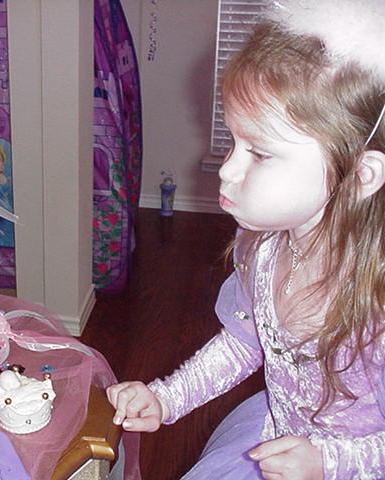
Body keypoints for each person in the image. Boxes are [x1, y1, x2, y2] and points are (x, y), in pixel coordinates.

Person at [106, 1, 385, 478]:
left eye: (259, 153)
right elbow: (245, 344)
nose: (228, 169)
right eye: (234, 142)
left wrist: (329, 461)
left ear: (360, 175)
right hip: (275, 435)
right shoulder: (265, 247)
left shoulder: (375, 301)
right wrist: (167, 397)